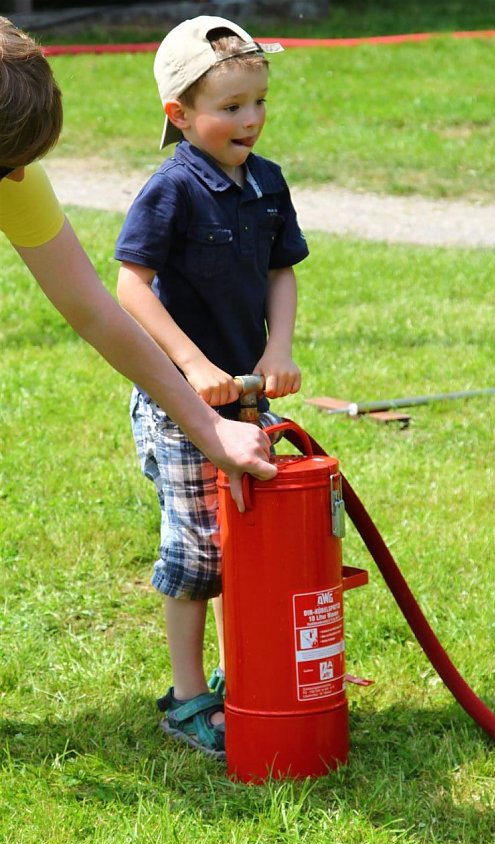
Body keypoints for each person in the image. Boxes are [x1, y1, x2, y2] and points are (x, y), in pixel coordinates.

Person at [114, 15, 309, 758]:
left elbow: (279, 270)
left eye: (257, 101)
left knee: (247, 545)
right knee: (199, 552)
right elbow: (130, 288)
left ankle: (246, 676)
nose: (250, 119)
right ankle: (188, 697)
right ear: (180, 115)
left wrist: (279, 346)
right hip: (181, 405)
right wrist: (192, 368)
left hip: (247, 400)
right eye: (230, 108)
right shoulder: (172, 188)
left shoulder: (266, 183)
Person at [0, 16, 277, 510]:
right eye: (4, 165)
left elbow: (94, 310)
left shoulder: (15, 179)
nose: (18, 176)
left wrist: (212, 426)